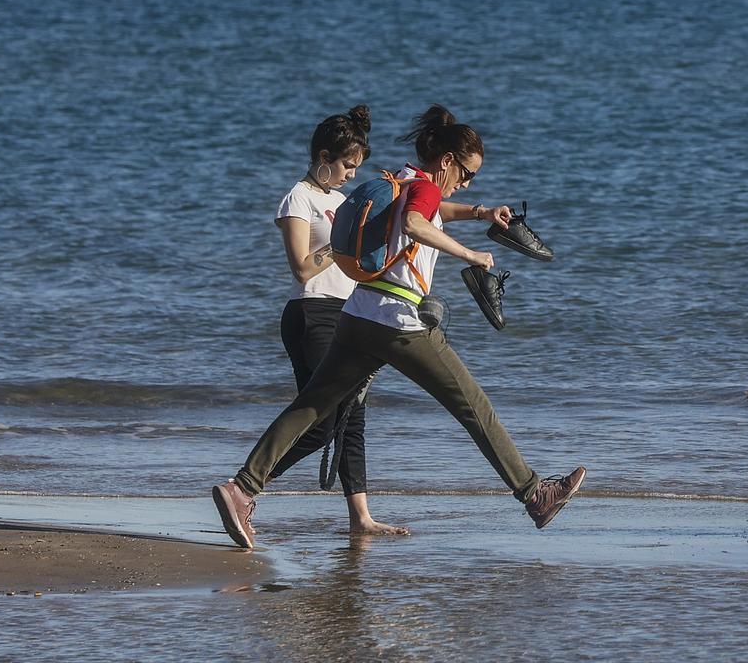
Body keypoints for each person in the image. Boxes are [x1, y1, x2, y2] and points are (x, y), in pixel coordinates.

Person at [212, 104, 586, 548]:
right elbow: (415, 220)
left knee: (311, 406)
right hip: (399, 321)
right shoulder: (423, 188)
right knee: (473, 404)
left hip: (357, 314)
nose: (468, 182)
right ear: (446, 161)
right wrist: (470, 255)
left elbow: (431, 210)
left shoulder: (405, 178)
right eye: (466, 174)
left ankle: (241, 489)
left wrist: (482, 212)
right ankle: (535, 494)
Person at [264, 104, 406, 535]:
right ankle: (244, 486)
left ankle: (361, 518)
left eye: (357, 167)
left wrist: (392, 199)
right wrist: (341, 242)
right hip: (311, 314)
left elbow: (368, 256)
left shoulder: (344, 201)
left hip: (348, 315)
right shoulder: (299, 197)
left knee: (352, 417)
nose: (350, 174)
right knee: (321, 422)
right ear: (324, 158)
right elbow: (303, 268)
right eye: (346, 165)